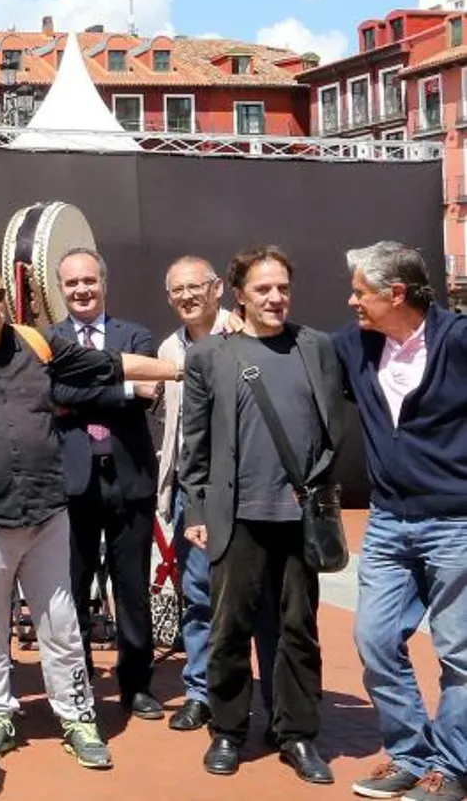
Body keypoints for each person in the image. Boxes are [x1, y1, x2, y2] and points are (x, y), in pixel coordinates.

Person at [0, 261, 179, 770]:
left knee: (61, 622)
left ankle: (77, 716)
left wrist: (184, 367)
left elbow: (112, 364)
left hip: (46, 512)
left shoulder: (39, 346)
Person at [179, 245, 353, 784]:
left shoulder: (318, 347)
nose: (275, 298)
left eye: (282, 288)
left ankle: (296, 735)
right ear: (239, 296)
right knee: (229, 629)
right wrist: (197, 509)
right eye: (262, 289)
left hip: (301, 517)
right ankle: (228, 731)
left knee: (299, 630)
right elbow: (196, 442)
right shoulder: (210, 355)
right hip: (237, 516)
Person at [332, 241, 466, 801]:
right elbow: (285, 350)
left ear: (396, 293)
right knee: (376, 639)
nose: (351, 300)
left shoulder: (458, 340)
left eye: (361, 291)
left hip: (456, 522)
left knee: (459, 651)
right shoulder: (354, 346)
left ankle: (454, 768)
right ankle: (410, 756)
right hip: (387, 523)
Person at [47, 248, 164, 721]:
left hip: (130, 479)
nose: (81, 290)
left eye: (89, 281)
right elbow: (54, 393)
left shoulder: (135, 334)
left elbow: (147, 392)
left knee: (132, 585)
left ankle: (136, 684)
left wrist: (92, 394)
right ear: (61, 288)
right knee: (70, 587)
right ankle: (80, 679)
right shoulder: (49, 340)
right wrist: (123, 386)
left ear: (103, 283)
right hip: (72, 483)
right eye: (72, 283)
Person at [155, 256, 270, 734]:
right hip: (193, 495)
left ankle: (272, 699)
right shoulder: (167, 347)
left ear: (218, 288)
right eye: (176, 290)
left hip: (250, 492)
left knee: (259, 600)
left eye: (194, 287)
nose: (186, 297)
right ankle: (202, 691)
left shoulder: (247, 335)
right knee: (199, 596)